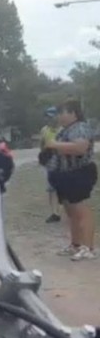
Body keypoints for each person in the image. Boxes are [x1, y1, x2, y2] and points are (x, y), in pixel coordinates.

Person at [43, 99, 98, 261]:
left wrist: (54, 144)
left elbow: (80, 148)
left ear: (73, 113)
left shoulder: (80, 127)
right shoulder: (65, 130)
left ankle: (88, 247)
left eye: (62, 112)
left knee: (81, 210)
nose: (59, 116)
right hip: (64, 175)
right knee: (71, 212)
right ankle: (76, 245)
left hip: (78, 173)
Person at [40, 107, 62, 224]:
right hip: (50, 161)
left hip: (63, 161)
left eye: (51, 116)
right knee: (51, 188)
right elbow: (42, 145)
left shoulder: (63, 130)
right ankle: (55, 213)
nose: (49, 119)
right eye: (48, 117)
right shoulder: (44, 130)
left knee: (65, 188)